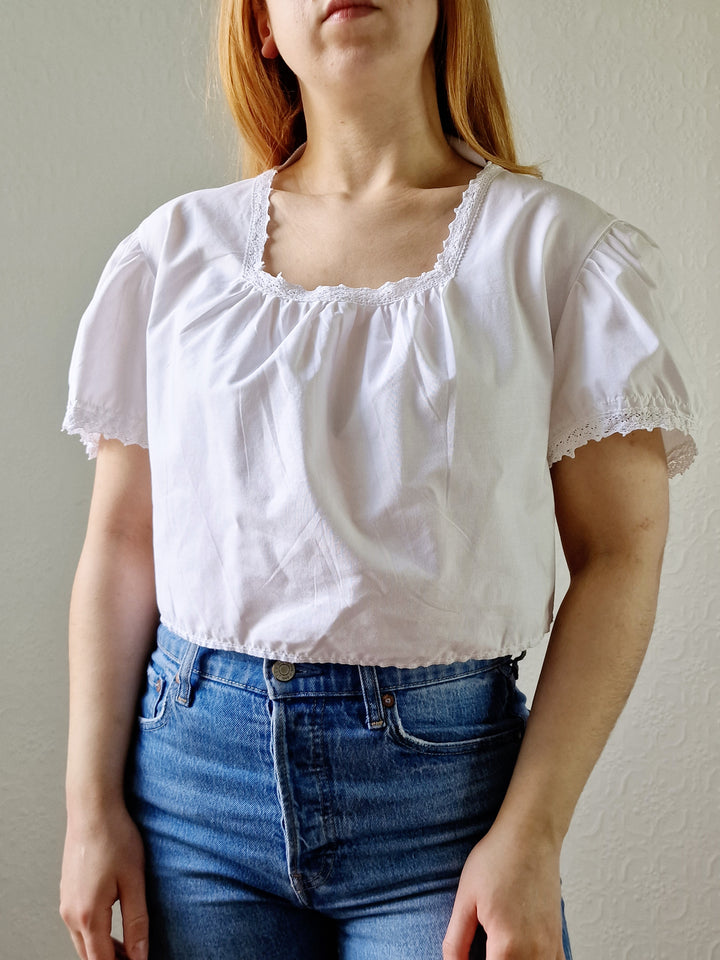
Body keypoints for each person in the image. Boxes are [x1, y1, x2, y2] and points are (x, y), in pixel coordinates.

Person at [58, 1, 700, 959]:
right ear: (262, 28)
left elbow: (620, 554)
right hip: (191, 806)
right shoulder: (172, 258)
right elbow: (119, 544)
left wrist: (534, 833)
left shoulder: (558, 255)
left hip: (449, 812)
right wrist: (87, 810)